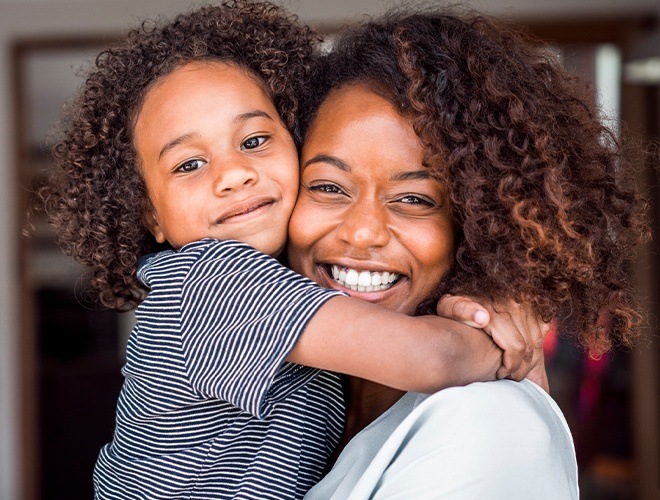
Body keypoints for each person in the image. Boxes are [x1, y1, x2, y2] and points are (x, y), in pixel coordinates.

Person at [35, 2, 543, 498]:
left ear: (293, 142)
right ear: (150, 216)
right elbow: (430, 359)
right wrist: (497, 338)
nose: (234, 174)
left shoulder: (292, 293)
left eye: (254, 140)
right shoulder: (213, 281)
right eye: (189, 165)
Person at [290, 6, 649, 499]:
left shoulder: (488, 423)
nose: (363, 233)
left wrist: (483, 350)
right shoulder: (283, 402)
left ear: (480, 229)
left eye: (414, 199)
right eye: (329, 187)